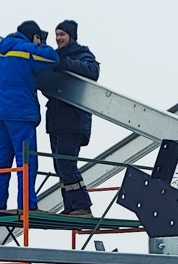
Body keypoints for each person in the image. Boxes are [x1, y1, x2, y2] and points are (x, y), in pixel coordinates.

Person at [0, 21, 58, 213]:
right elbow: (52, 57)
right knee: (26, 161)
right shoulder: (27, 50)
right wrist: (42, 45)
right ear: (33, 36)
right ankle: (27, 205)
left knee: (1, 161)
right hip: (21, 113)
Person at [41, 19, 101, 216]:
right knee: (59, 166)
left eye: (62, 34)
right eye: (57, 34)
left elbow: (93, 71)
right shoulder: (53, 57)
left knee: (66, 163)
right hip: (56, 120)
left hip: (73, 120)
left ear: (71, 36)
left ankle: (82, 205)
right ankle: (71, 206)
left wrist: (65, 64)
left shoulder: (82, 54)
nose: (58, 38)